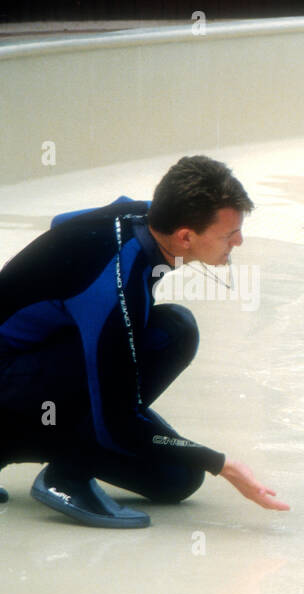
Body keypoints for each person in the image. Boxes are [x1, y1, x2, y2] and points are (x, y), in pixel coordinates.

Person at [0, 155, 288, 527]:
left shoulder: (146, 217)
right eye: (228, 234)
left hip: (32, 377)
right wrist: (222, 464)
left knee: (177, 480)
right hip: (12, 384)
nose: (239, 241)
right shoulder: (115, 282)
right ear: (186, 236)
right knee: (176, 330)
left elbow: (63, 224)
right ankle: (68, 475)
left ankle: (18, 443)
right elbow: (115, 424)